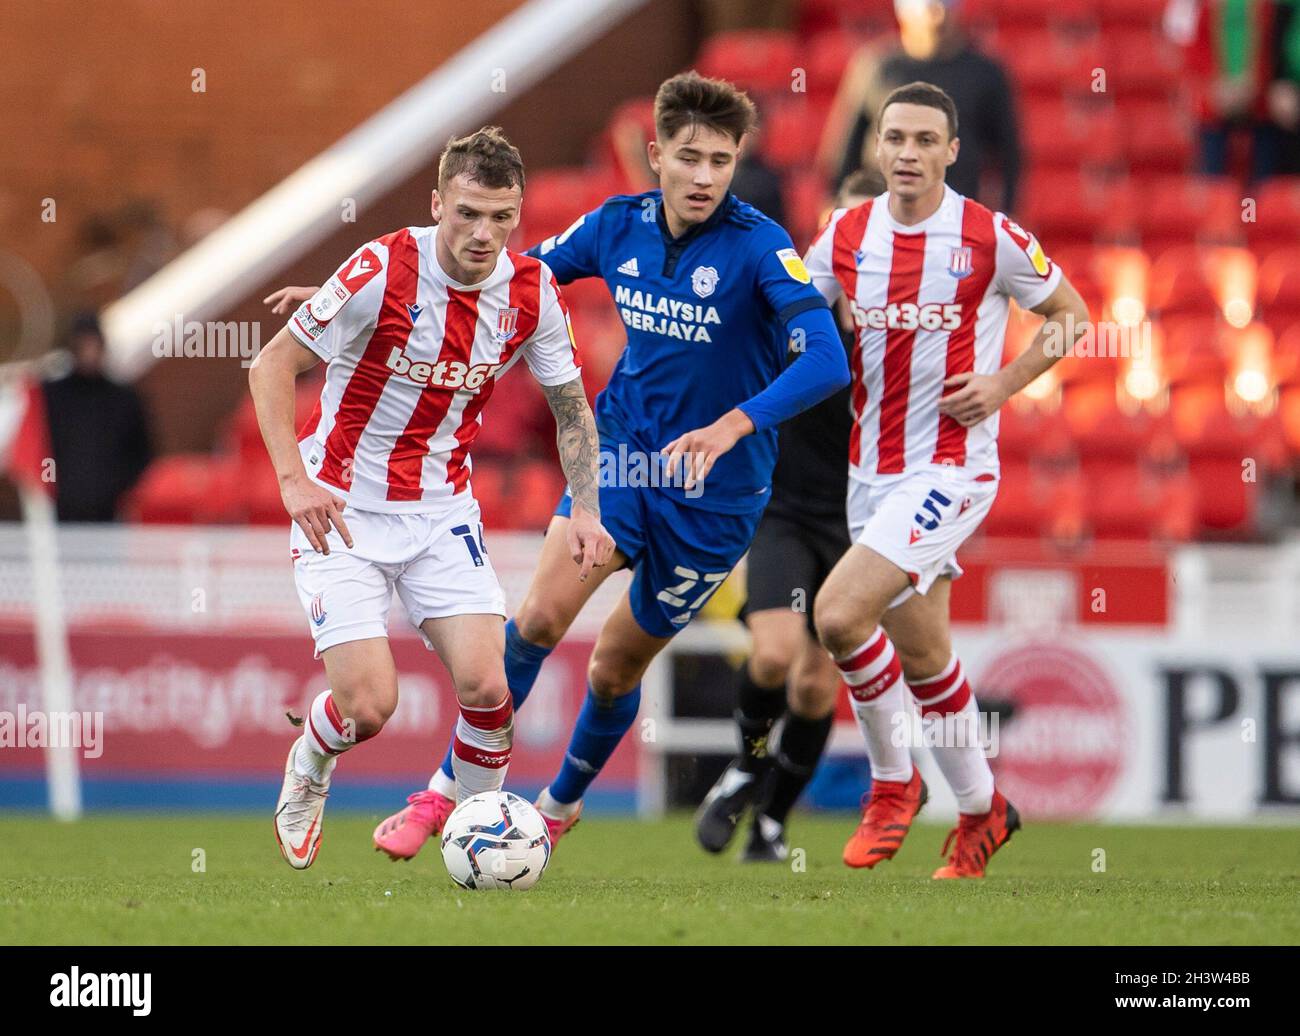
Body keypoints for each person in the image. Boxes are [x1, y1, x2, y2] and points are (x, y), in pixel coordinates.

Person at [269, 72, 848, 859]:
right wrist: (346, 304)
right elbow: (511, 274)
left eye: (722, 158)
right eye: (689, 157)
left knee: (613, 669)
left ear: (738, 158)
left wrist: (731, 426)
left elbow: (826, 361)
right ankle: (444, 801)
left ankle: (558, 805)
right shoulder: (617, 225)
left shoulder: (763, 248)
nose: (706, 175)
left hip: (717, 497)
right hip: (620, 464)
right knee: (536, 620)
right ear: (656, 157)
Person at [248, 127, 614, 870]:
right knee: (369, 708)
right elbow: (270, 365)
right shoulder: (382, 268)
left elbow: (572, 408)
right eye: (468, 213)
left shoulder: (532, 291)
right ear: (437, 202)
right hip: (341, 508)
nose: (484, 234)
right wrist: (294, 480)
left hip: (442, 511)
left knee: (488, 686)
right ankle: (310, 765)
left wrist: (588, 508)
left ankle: (479, 850)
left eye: (501, 217)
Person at [804, 82, 1089, 878]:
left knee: (836, 614)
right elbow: (790, 314)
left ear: (952, 151)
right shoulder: (844, 235)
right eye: (895, 138)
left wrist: (1004, 384)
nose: (907, 153)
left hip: (952, 468)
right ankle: (983, 810)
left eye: (926, 140)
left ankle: (893, 786)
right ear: (876, 146)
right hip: (870, 475)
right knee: (925, 656)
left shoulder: (989, 235)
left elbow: (1072, 315)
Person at [695, 169, 883, 863]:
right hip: (785, 509)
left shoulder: (903, 326)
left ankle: (770, 822)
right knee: (774, 653)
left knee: (814, 681)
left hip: (859, 520)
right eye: (851, 225)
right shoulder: (792, 303)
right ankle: (745, 765)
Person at [822, 0, 1020, 214]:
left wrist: (1010, 209)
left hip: (954, 216)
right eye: (929, 7)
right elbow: (846, 145)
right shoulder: (878, 67)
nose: (939, 16)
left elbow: (1009, 150)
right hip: (885, 214)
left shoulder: (985, 73)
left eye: (946, 6)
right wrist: (834, 202)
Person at [41, 313, 153, 521]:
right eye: (83, 345)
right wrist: (51, 482)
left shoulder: (124, 399)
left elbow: (142, 451)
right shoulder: (52, 397)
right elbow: (39, 447)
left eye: (93, 344)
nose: (89, 352)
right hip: (62, 510)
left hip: (109, 511)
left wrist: (119, 487)